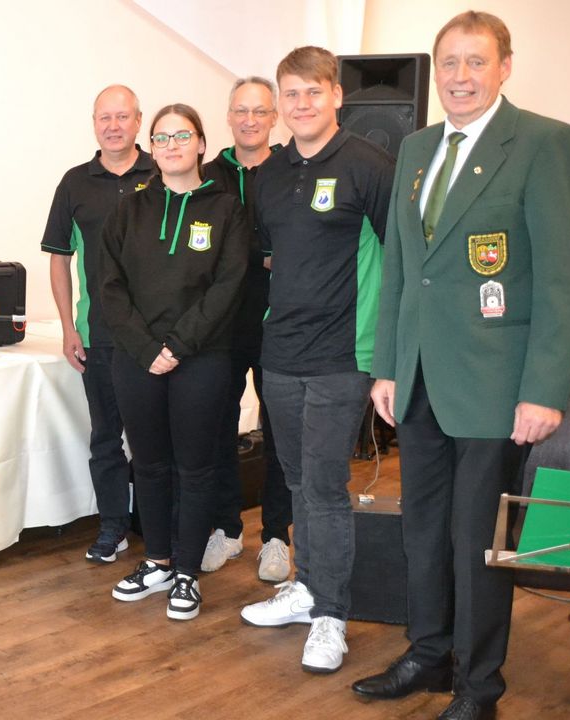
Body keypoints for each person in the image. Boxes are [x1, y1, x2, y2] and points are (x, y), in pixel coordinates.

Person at [352, 12, 570, 719]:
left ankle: (478, 685)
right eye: (449, 63)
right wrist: (388, 367)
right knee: (421, 530)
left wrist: (545, 389)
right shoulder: (419, 148)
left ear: (505, 67)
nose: (460, 77)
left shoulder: (547, 144)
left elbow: (562, 279)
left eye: (475, 62)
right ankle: (428, 653)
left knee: (474, 541)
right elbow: (403, 269)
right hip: (421, 380)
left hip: (497, 388)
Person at [237, 46, 394, 674]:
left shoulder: (369, 165)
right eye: (290, 95)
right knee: (299, 482)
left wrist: (386, 359)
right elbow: (274, 256)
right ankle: (305, 590)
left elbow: (400, 264)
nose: (301, 105)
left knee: (326, 487)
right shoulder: (271, 175)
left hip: (342, 355)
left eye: (312, 92)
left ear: (336, 96)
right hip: (282, 355)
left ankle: (332, 615)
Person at [102, 103, 248, 621]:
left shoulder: (228, 209)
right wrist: (147, 351)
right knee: (150, 465)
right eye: (161, 138)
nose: (170, 146)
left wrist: (177, 347)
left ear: (202, 144)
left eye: (181, 136)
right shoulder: (129, 210)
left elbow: (228, 288)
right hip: (136, 360)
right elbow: (110, 289)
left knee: (196, 466)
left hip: (202, 358)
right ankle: (158, 561)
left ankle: (187, 571)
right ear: (152, 147)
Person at [41, 84, 154, 562]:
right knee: (106, 438)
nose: (113, 126)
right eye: (104, 118)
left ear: (138, 120)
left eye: (122, 117)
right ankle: (113, 528)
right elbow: (59, 258)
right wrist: (70, 327)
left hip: (157, 338)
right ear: (94, 123)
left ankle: (158, 528)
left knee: (154, 441)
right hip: (101, 335)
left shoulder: (165, 172)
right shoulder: (74, 183)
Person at [199, 76, 293, 583]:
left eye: (260, 111)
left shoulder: (292, 169)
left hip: (279, 322)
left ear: (273, 116)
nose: (250, 119)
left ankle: (276, 535)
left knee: (280, 432)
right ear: (229, 116)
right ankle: (226, 527)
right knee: (218, 426)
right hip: (219, 325)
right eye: (241, 111)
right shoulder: (207, 174)